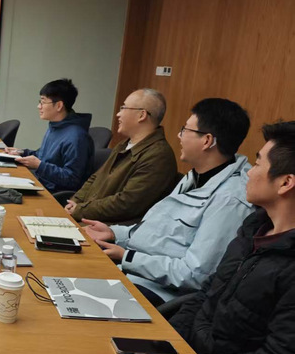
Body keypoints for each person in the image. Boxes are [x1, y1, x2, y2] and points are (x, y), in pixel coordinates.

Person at [170, 121, 295, 354]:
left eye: (257, 163)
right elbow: (207, 291)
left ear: (285, 183)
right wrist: (170, 343)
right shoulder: (254, 228)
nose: (249, 173)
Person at [83, 98, 254, 306]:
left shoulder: (230, 200)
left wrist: (127, 257)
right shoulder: (197, 176)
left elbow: (195, 274)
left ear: (207, 141)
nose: (179, 136)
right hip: (135, 274)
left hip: (158, 292)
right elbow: (159, 235)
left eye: (185, 130)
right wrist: (114, 234)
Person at [65, 88, 178, 224]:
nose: (118, 114)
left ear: (141, 115)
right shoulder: (124, 144)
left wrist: (79, 209)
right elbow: (95, 178)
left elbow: (126, 203)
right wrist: (75, 202)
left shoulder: (158, 156)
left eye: (124, 108)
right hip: (87, 217)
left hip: (106, 227)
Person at [5, 78, 92, 193]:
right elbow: (43, 156)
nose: (39, 106)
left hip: (52, 193)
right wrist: (22, 152)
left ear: (59, 106)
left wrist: (39, 166)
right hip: (40, 182)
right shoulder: (56, 126)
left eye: (43, 102)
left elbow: (72, 179)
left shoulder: (77, 137)